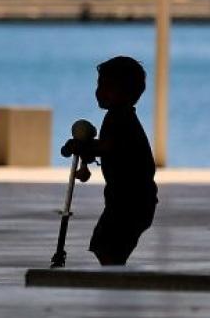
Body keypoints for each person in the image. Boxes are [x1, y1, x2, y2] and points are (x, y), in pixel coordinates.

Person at [63, 56, 158, 265]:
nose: (99, 91)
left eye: (106, 86)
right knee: (106, 244)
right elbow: (109, 147)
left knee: (108, 245)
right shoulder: (119, 116)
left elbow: (108, 147)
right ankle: (116, 276)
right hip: (128, 200)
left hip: (132, 201)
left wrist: (82, 147)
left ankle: (117, 281)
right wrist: (87, 148)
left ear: (125, 92)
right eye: (99, 85)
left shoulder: (120, 118)